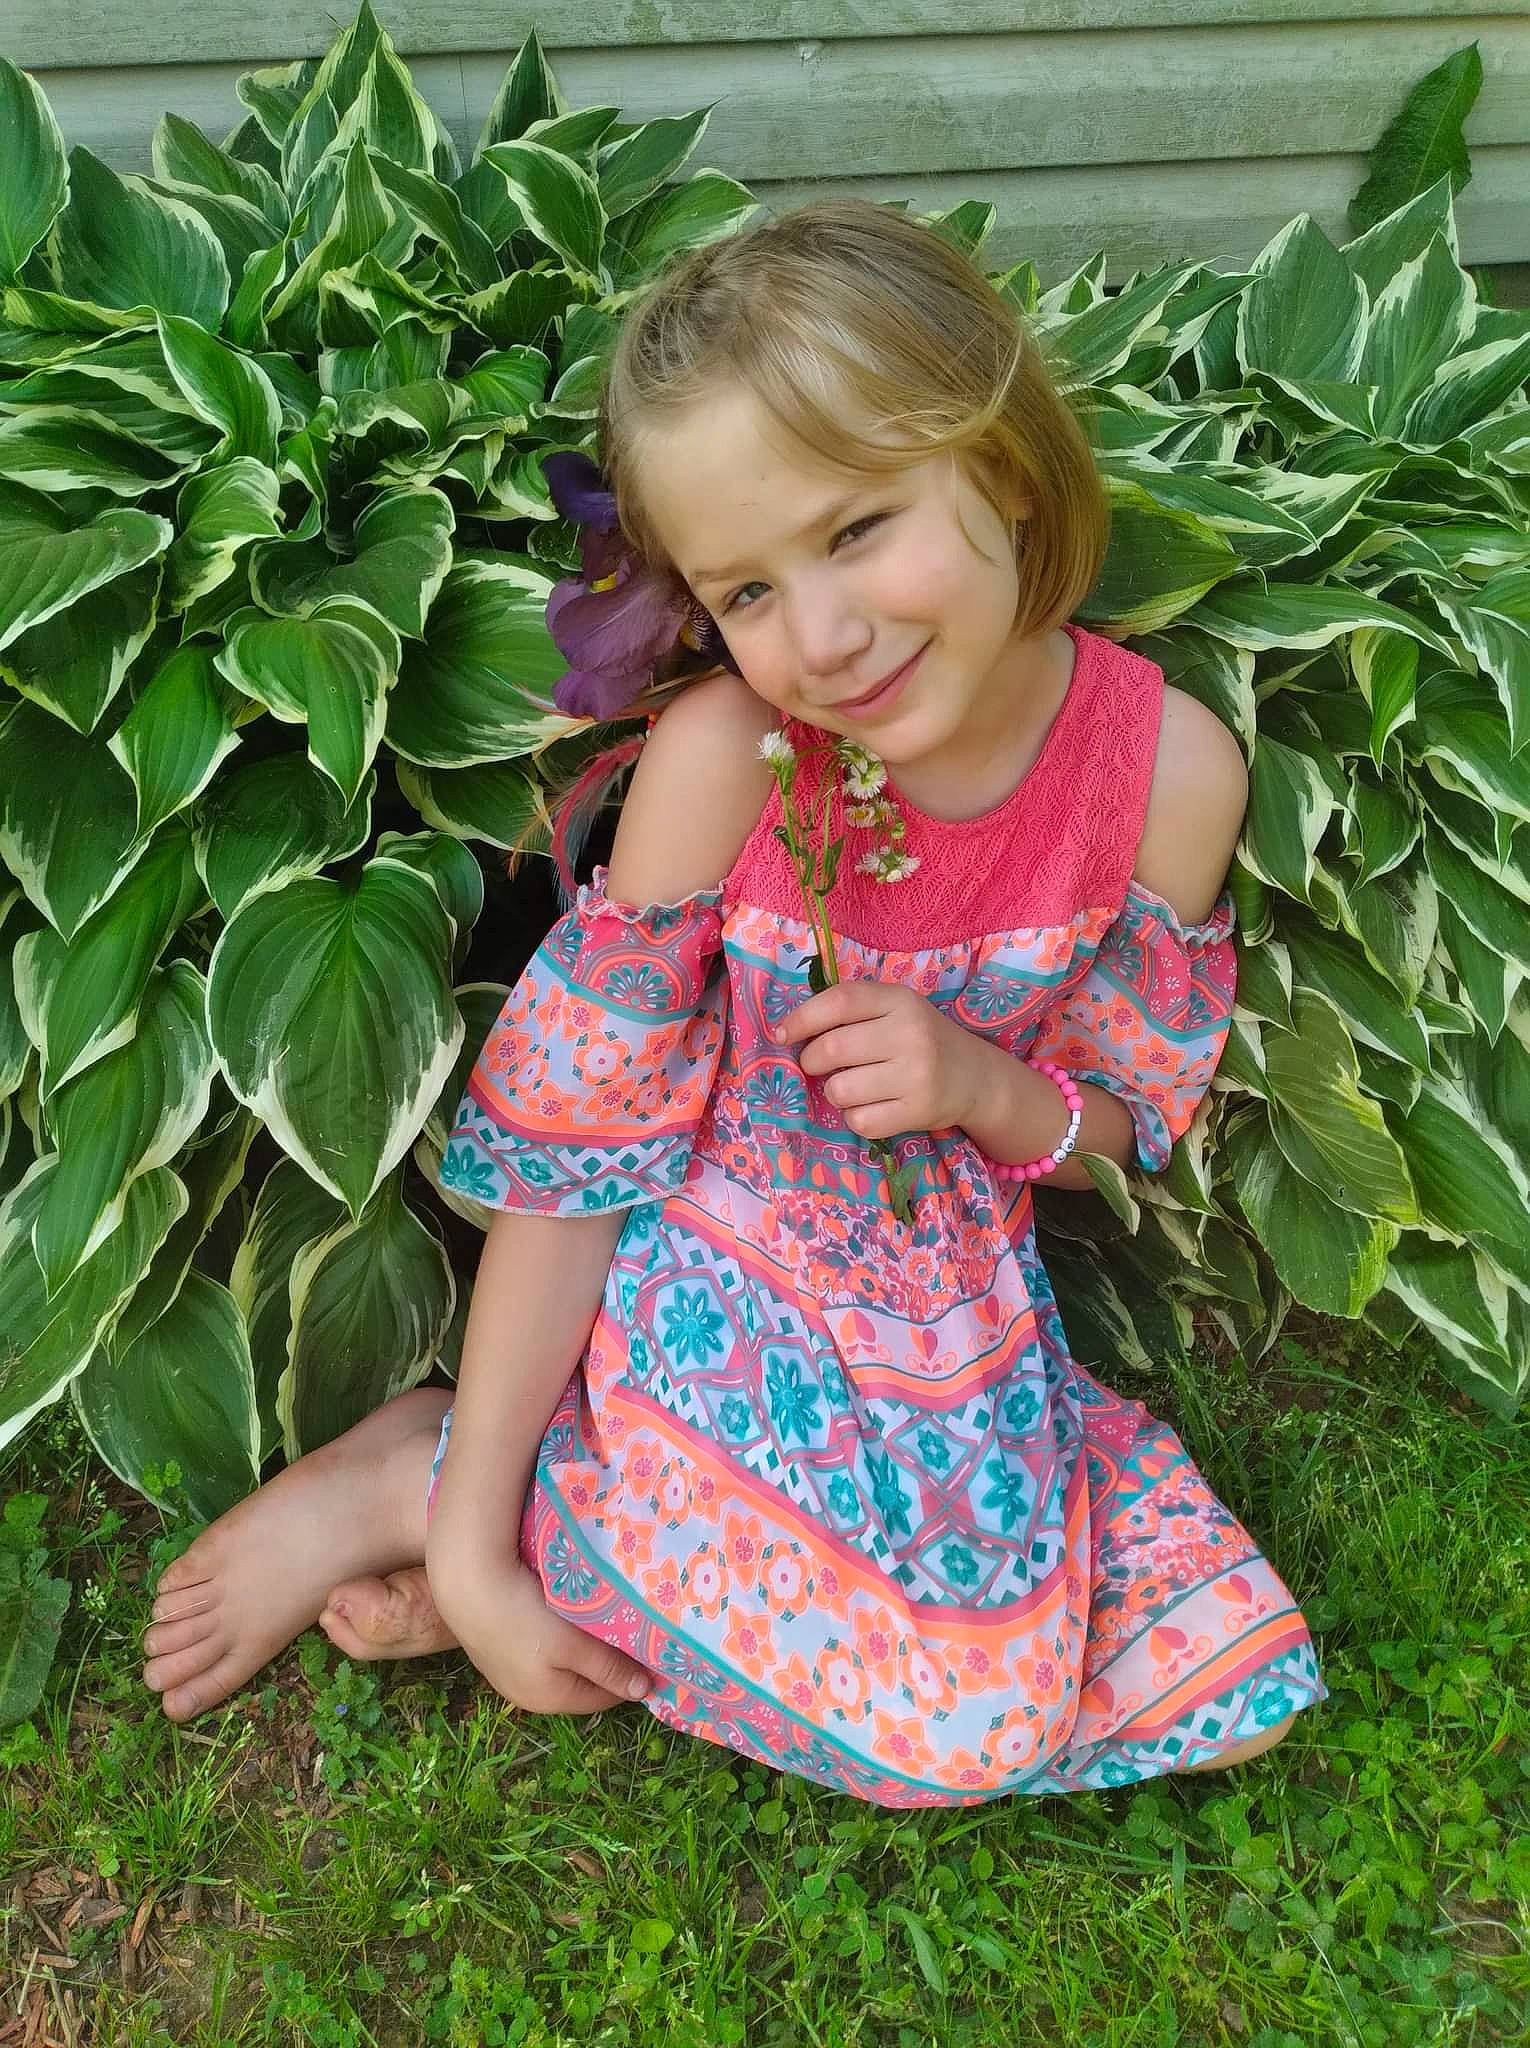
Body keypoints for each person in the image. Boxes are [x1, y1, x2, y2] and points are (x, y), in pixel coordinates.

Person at [142, 200, 1326, 1802]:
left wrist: (982, 1089)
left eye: (856, 529)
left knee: (1209, 1683)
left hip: (943, 1325)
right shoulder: (726, 766)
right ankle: (441, 1490)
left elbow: (1122, 1131)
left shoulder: (1163, 776)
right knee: (955, 1728)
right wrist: (477, 1554)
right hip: (701, 1284)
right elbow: (576, 1166)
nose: (822, 640)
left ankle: (565, 1547)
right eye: (747, 593)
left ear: (1005, 464)